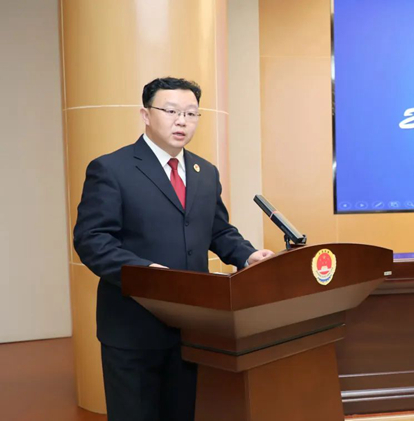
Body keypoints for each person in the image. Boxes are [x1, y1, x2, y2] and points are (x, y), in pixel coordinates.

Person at [73, 77, 274, 421]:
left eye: (191, 113)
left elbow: (218, 229)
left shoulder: (205, 172)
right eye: (171, 111)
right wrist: (146, 273)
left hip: (192, 326)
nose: (182, 121)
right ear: (146, 115)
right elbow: (92, 239)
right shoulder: (111, 168)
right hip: (134, 325)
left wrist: (247, 255)